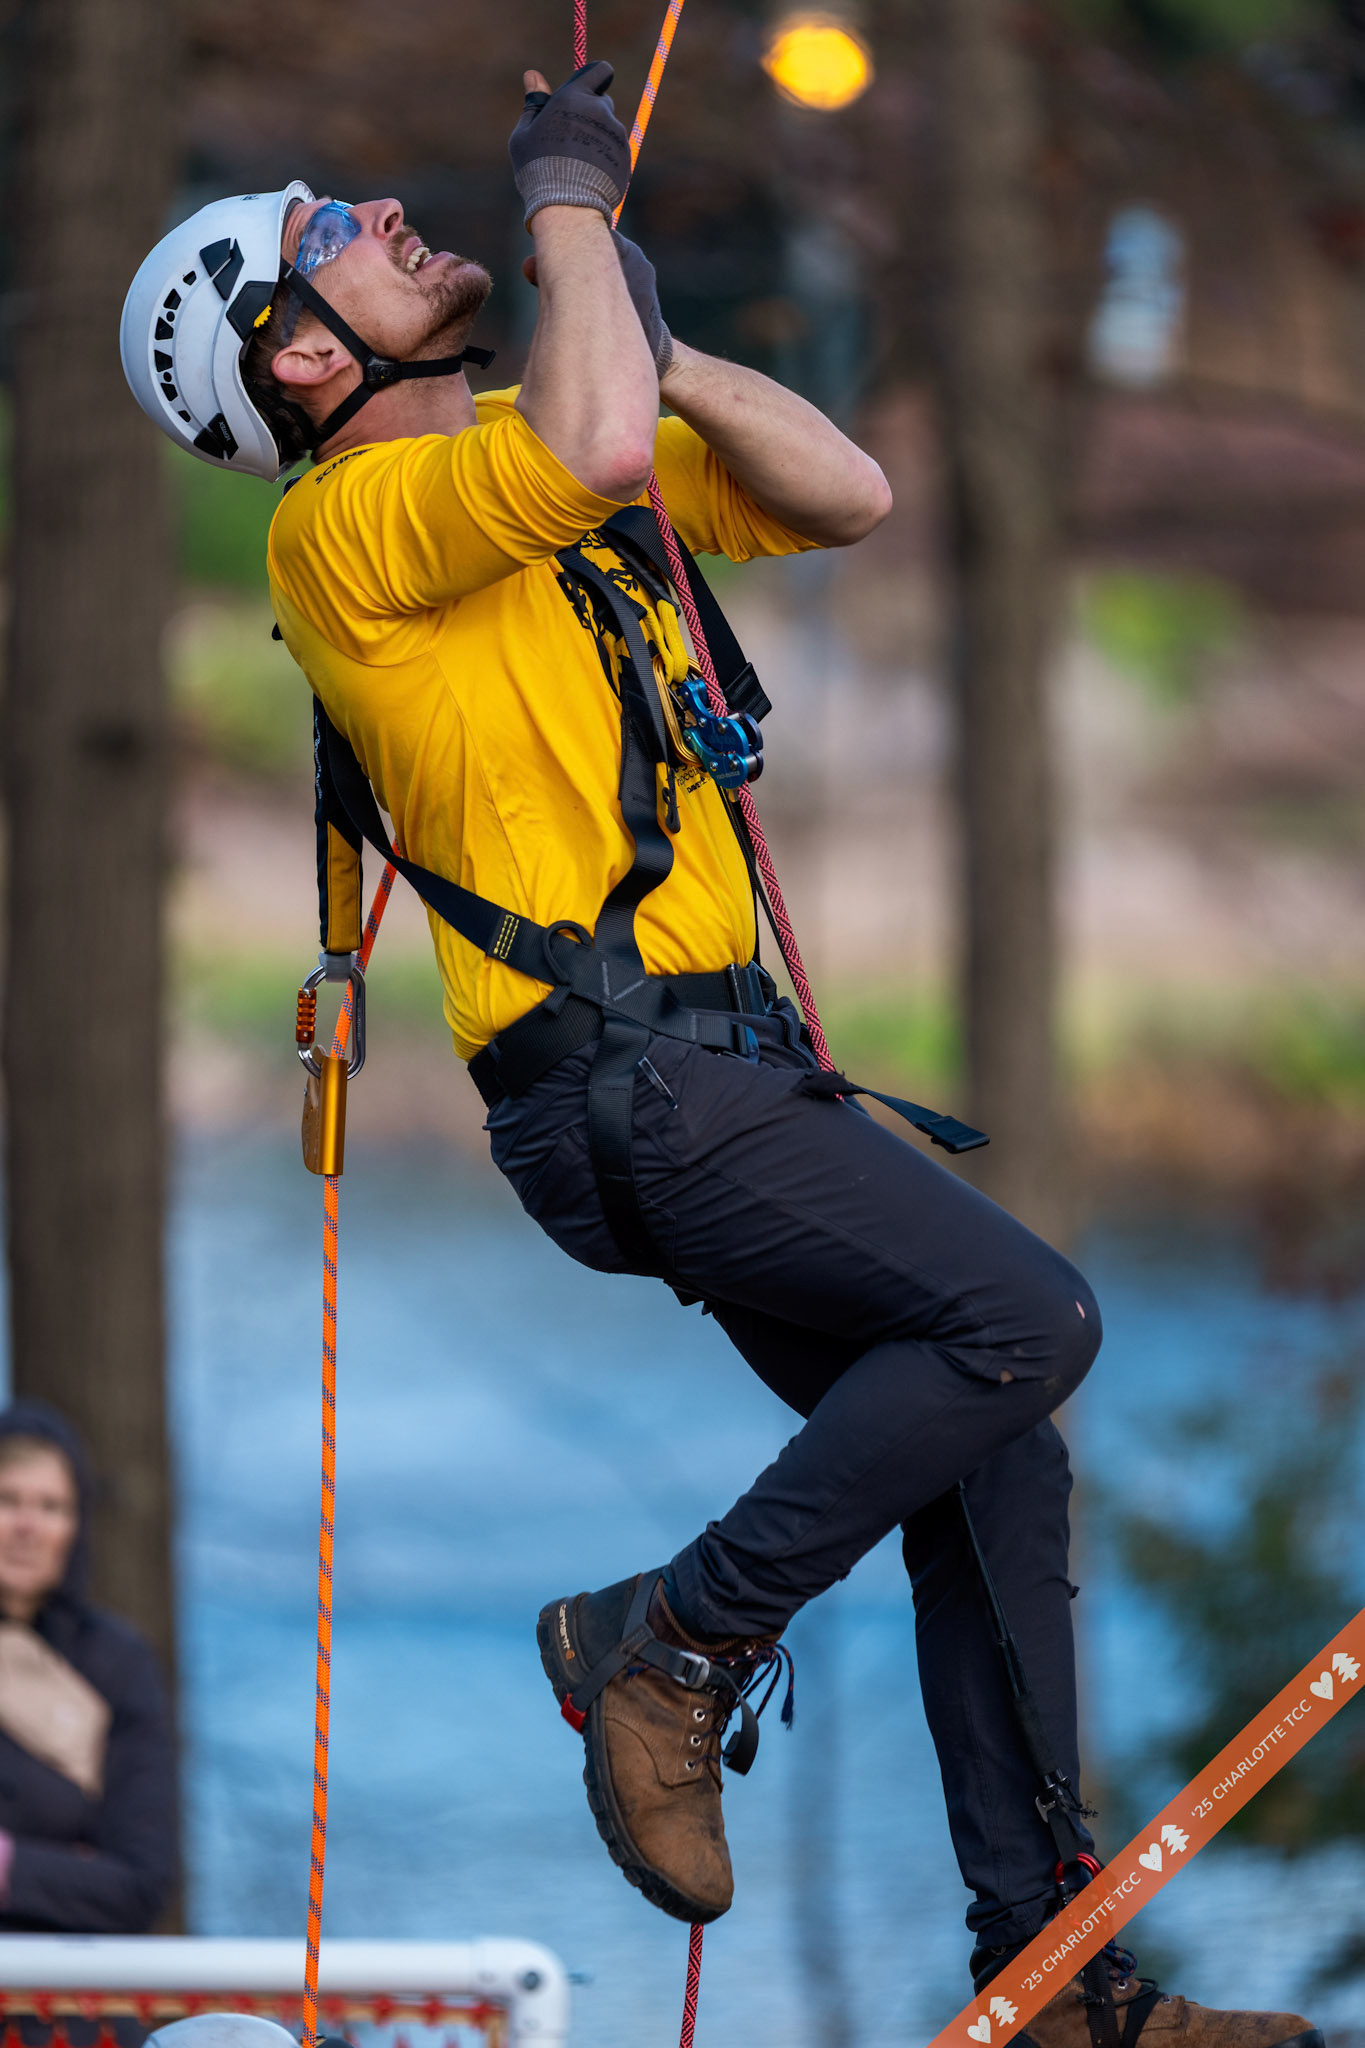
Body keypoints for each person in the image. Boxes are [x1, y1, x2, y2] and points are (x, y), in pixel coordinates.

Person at [120, 60, 1318, 2048]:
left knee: (990, 1462)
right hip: (633, 1095)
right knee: (1029, 1318)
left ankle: (1059, 1968)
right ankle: (663, 1635)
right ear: (301, 367)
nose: (384, 217)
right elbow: (584, 447)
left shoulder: (540, 457)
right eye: (332, 239)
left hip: (719, 1080)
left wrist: (644, 340)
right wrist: (570, 208)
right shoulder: (349, 530)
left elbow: (840, 490)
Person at [0, 1402, 176, 1936]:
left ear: (77, 1525)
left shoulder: (115, 1662)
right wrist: (67, 1868)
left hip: (63, 2009)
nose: (28, 1526)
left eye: (52, 1507)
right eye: (7, 1500)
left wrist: (8, 1866)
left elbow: (138, 1885)